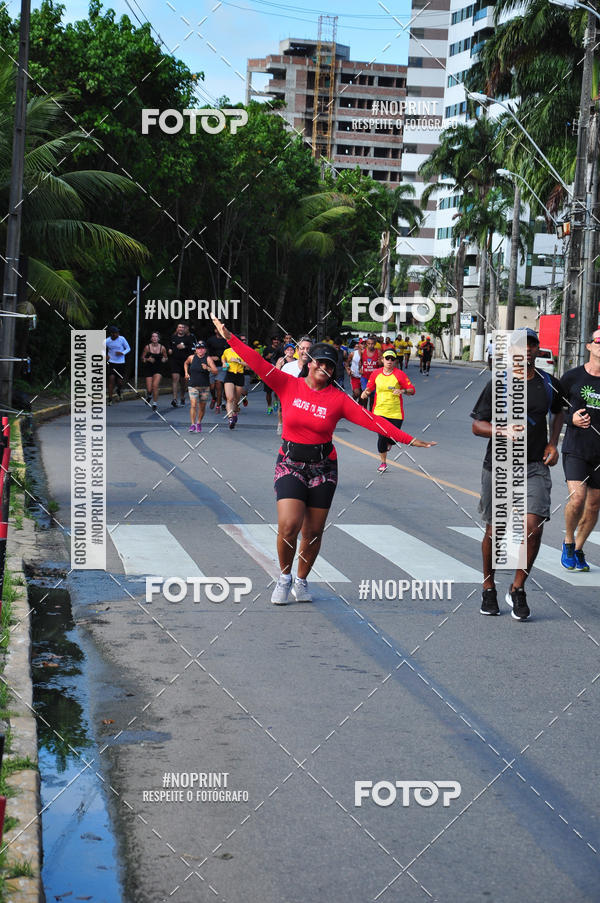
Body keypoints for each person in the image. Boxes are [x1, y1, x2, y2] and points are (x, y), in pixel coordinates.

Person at [211, 315, 436, 606]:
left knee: (313, 531)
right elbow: (255, 361)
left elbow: (373, 421)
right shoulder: (287, 384)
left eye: (330, 365)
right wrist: (229, 336)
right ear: (309, 362)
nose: (324, 368)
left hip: (323, 468)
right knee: (289, 525)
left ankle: (302, 581)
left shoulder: (338, 399)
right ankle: (284, 577)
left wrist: (409, 440)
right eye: (320, 362)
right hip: (290, 463)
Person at [471, 328, 564, 620]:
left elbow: (559, 411)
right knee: (494, 531)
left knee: (533, 527)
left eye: (531, 345)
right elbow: (477, 425)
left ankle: (518, 586)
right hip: (498, 465)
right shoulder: (497, 384)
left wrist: (553, 442)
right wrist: (502, 430)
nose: (525, 351)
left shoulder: (549, 383)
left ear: (536, 350)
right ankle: (488, 587)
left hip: (535, 466)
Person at [559, 329, 600, 572]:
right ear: (589, 346)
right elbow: (555, 410)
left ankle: (579, 548)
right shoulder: (572, 378)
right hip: (576, 447)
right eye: (599, 341)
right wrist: (570, 419)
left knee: (594, 505)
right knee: (578, 498)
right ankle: (568, 542)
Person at [361, 350, 416, 472]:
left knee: (394, 438)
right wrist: (365, 393)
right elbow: (369, 388)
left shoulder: (400, 374)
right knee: (382, 436)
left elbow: (412, 390)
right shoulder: (376, 373)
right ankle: (383, 462)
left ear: (395, 361)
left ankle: (390, 442)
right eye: (387, 358)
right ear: (382, 360)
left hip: (396, 412)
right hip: (379, 411)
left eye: (392, 359)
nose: (389, 361)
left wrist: (403, 391)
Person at [184, 342, 217, 432]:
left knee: (202, 407)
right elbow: (186, 363)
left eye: (202, 348)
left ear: (205, 350)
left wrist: (207, 368)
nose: (200, 350)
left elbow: (215, 371)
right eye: (198, 348)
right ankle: (192, 424)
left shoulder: (208, 359)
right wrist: (186, 373)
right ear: (196, 350)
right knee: (193, 405)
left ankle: (198, 422)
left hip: (204, 386)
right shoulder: (191, 358)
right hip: (193, 385)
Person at [221, 340, 247, 429]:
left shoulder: (243, 352)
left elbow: (248, 365)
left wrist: (238, 361)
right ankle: (230, 418)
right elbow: (223, 358)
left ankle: (235, 413)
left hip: (239, 375)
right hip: (229, 375)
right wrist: (224, 363)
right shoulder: (227, 351)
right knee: (230, 398)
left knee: (236, 400)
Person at [168, 323, 195, 408]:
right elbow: (168, 346)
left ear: (185, 329)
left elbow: (193, 349)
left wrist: (185, 347)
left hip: (185, 362)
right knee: (175, 378)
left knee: (184, 382)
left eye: (182, 327)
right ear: (177, 328)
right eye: (179, 327)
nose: (181, 329)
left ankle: (182, 396)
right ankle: (175, 399)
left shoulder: (189, 338)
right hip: (175, 360)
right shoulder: (173, 337)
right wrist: (169, 350)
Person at [141, 331, 167, 410]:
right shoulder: (147, 347)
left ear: (158, 338)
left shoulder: (162, 347)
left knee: (155, 386)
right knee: (149, 389)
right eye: (153, 336)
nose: (154, 338)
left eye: (156, 336)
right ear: (151, 338)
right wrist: (147, 359)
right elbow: (142, 358)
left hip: (158, 368)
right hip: (149, 368)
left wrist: (164, 359)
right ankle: (149, 395)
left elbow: (166, 357)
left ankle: (155, 403)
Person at [105, 326, 130, 404]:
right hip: (112, 362)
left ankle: (118, 390)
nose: (117, 334)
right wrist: (105, 355)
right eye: (116, 333)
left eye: (118, 332)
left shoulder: (122, 339)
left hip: (121, 363)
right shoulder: (107, 341)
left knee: (119, 382)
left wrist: (122, 353)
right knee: (111, 379)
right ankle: (110, 399)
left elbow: (128, 348)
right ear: (112, 334)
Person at [206, 327, 229, 413]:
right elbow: (205, 351)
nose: (220, 330)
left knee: (219, 385)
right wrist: (210, 358)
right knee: (212, 387)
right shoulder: (210, 340)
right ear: (215, 330)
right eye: (218, 329)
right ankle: (214, 398)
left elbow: (230, 351)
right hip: (212, 366)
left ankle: (218, 406)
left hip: (223, 366)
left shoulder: (226, 340)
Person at [263, 336, 284, 413]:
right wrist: (267, 357)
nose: (276, 341)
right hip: (268, 372)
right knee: (268, 391)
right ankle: (269, 407)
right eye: (274, 339)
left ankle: (276, 401)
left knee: (277, 391)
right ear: (272, 341)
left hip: (278, 372)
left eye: (277, 339)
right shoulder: (267, 349)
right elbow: (263, 359)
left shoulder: (282, 349)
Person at [360, 336, 381, 410]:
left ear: (375, 344)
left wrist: (380, 362)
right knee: (365, 394)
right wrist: (360, 368)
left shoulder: (378, 352)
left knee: (372, 396)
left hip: (375, 378)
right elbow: (360, 362)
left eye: (372, 344)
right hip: (365, 377)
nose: (370, 345)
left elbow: (381, 364)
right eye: (369, 344)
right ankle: (365, 409)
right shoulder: (363, 352)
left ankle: (371, 411)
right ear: (366, 344)